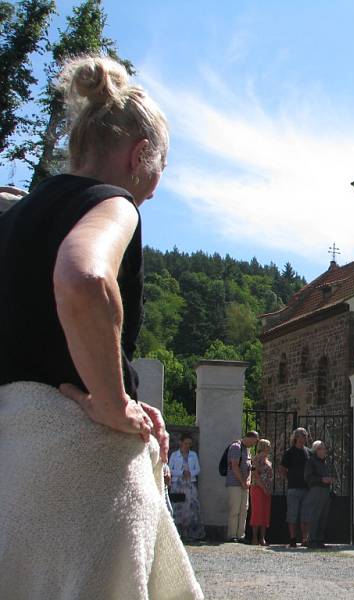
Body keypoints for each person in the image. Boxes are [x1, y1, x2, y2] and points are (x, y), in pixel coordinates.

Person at [0, 56, 202, 598]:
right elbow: (84, 279)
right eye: (158, 173)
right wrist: (113, 401)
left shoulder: (12, 216)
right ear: (140, 156)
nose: (153, 191)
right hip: (82, 467)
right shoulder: (113, 202)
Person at [168, 433, 205, 541]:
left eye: (189, 444)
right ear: (181, 443)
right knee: (178, 508)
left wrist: (190, 473)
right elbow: (170, 469)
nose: (187, 445)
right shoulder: (175, 455)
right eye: (186, 443)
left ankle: (189, 533)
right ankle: (176, 533)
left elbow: (198, 469)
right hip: (178, 485)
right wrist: (181, 472)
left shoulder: (193, 455)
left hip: (190, 485)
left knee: (190, 509)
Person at [279, 427, 311, 547]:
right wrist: (289, 479)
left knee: (306, 515)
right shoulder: (289, 452)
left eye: (306, 435)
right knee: (292, 514)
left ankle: (305, 539)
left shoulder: (309, 452)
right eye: (303, 435)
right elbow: (282, 469)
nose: (305, 437)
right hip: (293, 488)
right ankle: (292, 539)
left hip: (307, 488)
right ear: (296, 437)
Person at [226, 430, 259, 542]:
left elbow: (249, 467)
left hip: (245, 484)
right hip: (235, 483)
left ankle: (241, 535)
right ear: (248, 438)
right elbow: (234, 467)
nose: (253, 445)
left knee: (244, 510)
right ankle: (232, 535)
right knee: (235, 509)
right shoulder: (236, 447)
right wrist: (242, 481)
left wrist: (248, 481)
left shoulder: (247, 450)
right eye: (253, 442)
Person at [304, 440, 336, 549]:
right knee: (315, 516)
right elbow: (308, 477)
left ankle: (319, 540)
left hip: (326, 491)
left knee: (323, 516)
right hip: (316, 490)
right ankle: (312, 540)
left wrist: (330, 479)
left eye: (325, 448)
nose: (325, 450)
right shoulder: (311, 461)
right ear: (316, 450)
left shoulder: (325, 462)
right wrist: (322, 479)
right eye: (322, 448)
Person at [250, 438, 274, 546]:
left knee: (265, 513)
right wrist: (263, 487)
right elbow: (255, 475)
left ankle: (262, 538)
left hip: (267, 489)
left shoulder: (268, 461)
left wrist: (268, 488)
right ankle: (254, 538)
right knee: (257, 512)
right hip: (257, 488)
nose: (270, 447)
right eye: (268, 445)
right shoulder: (256, 460)